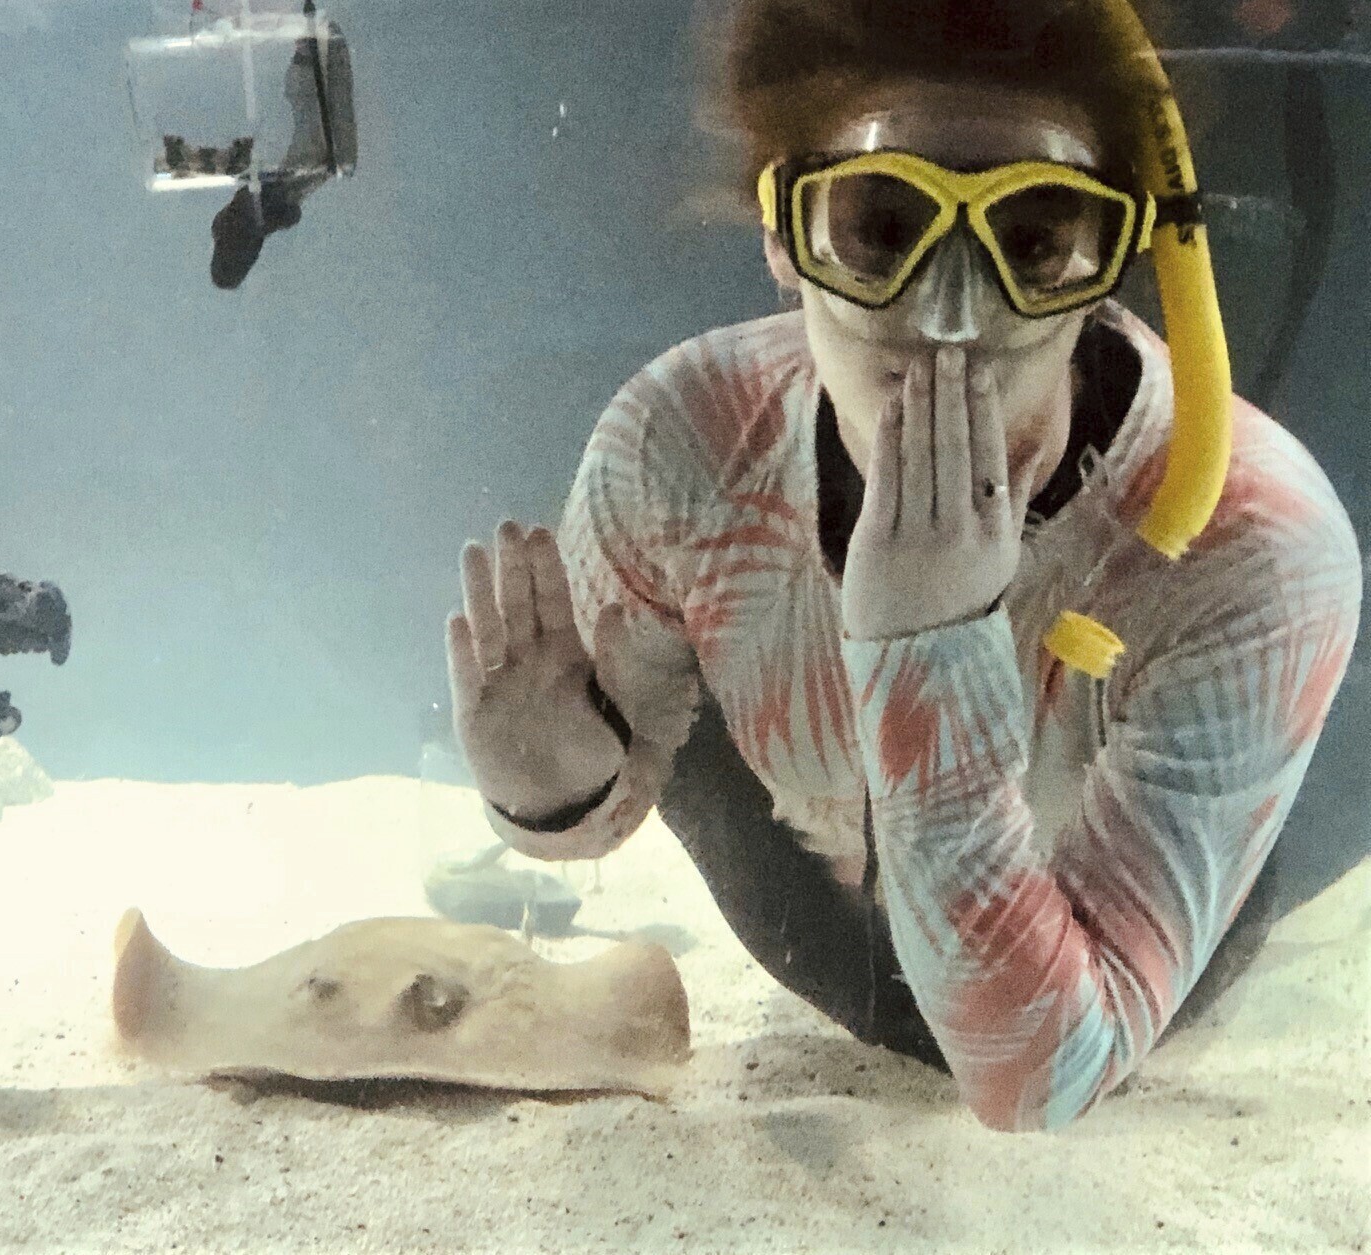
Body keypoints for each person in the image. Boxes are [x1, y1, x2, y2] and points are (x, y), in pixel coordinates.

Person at [445, 0, 1363, 1133]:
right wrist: (545, 787)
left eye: (1032, 240)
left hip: (1129, 981)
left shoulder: (1255, 538)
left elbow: (1041, 1076)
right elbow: (606, 804)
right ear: (783, 234)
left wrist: (928, 646)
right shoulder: (682, 444)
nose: (947, 316)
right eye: (882, 225)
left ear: (1115, 257)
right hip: (822, 932)